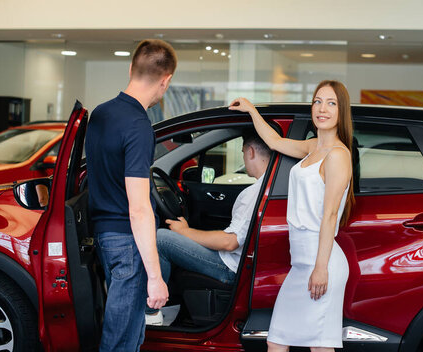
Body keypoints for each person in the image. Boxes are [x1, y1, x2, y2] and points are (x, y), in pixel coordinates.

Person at [229, 80, 354, 352]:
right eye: (317, 101)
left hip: (321, 263)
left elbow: (330, 215)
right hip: (301, 262)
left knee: (319, 346)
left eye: (331, 103)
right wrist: (251, 110)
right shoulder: (313, 147)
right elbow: (274, 141)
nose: (322, 108)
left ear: (341, 111)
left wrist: (320, 269)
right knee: (277, 340)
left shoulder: (337, 155)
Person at [85, 39, 177, 352]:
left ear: (131, 69)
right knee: (121, 341)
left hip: (104, 236)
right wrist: (155, 276)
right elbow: (138, 209)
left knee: (127, 336)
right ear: (165, 81)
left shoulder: (100, 113)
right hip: (127, 243)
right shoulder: (138, 126)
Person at [146, 129, 271, 324]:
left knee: (161, 239)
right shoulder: (265, 188)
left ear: (251, 152)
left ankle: (151, 313)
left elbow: (230, 242)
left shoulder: (255, 193)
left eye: (243, 153)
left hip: (229, 268)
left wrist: (185, 232)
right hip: (237, 262)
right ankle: (170, 306)